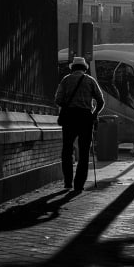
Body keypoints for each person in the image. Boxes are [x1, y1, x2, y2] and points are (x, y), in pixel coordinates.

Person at [54, 56, 106, 192]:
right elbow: (101, 101)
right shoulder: (90, 81)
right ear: (84, 68)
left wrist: (68, 104)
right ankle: (79, 184)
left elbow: (58, 100)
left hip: (70, 117)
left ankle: (67, 182)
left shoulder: (66, 80)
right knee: (84, 152)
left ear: (73, 68)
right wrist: (94, 114)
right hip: (85, 118)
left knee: (67, 150)